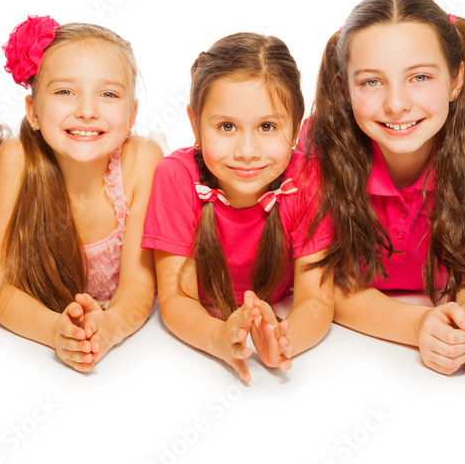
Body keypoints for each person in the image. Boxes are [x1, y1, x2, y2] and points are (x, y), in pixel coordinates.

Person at [302, 0, 465, 375]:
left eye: (419, 77)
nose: (397, 104)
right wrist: (418, 324)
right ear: (345, 88)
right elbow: (322, 285)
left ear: (457, 80)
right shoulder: (323, 143)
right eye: (371, 82)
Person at [143, 33, 333, 382]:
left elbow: (317, 301)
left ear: (295, 124)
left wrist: (284, 338)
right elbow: (175, 297)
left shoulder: (307, 179)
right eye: (227, 126)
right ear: (194, 122)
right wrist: (217, 336)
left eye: (267, 126)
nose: (247, 151)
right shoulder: (175, 177)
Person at [0, 16, 162, 372]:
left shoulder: (142, 161)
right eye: (65, 92)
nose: (86, 110)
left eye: (109, 94)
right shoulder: (16, 161)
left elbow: (139, 286)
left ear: (132, 116)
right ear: (33, 111)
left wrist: (109, 327)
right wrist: (55, 330)